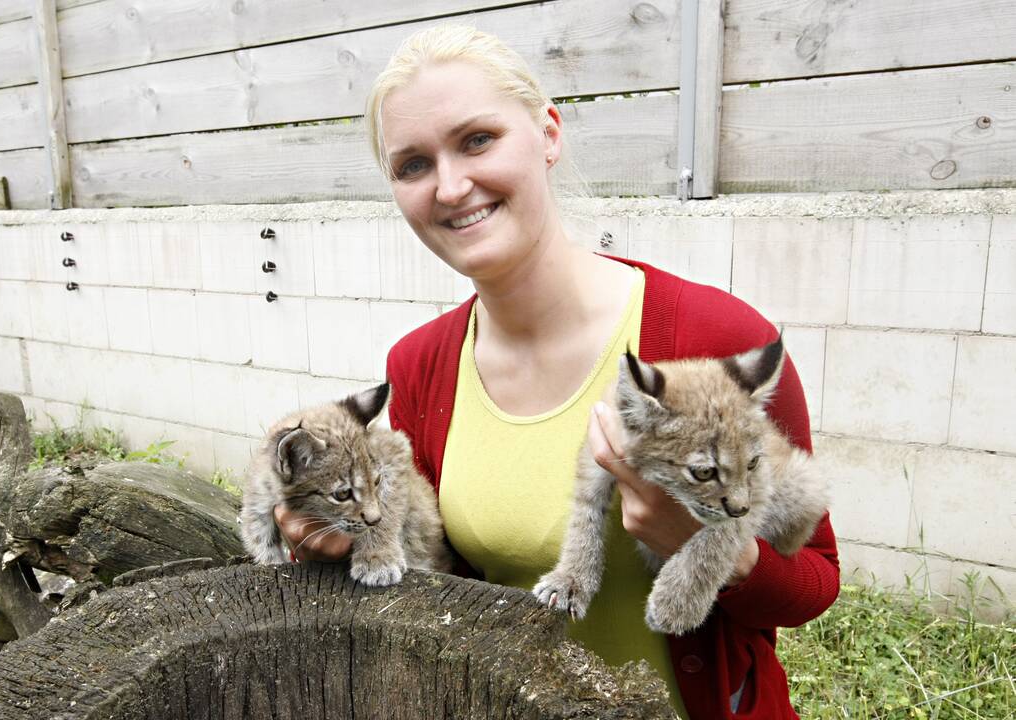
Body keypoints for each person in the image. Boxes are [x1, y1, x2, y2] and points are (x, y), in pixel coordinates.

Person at [275, 25, 839, 718]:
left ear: (546, 134)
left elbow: (815, 583)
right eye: (413, 165)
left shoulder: (714, 341)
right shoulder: (417, 366)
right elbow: (443, 582)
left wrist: (711, 547)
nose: (451, 186)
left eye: (477, 140)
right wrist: (345, 542)